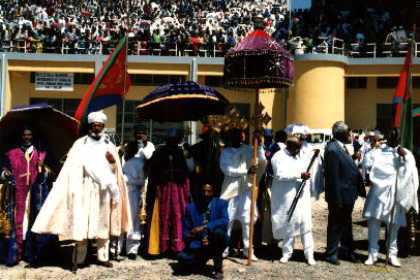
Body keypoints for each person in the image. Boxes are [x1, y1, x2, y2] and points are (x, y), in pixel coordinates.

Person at [31, 111, 132, 271]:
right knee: (82, 223)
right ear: (90, 126)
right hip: (84, 188)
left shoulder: (109, 145)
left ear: (104, 127)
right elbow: (71, 168)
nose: (97, 128)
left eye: (100, 125)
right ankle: (79, 259)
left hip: (103, 191)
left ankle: (103, 257)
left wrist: (113, 162)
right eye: (94, 125)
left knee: (103, 223)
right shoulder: (80, 144)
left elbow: (115, 171)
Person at [362, 128, 419, 267]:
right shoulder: (377, 152)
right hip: (378, 193)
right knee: (374, 224)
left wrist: (404, 157)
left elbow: (411, 173)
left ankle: (392, 254)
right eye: (391, 135)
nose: (394, 138)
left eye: (397, 136)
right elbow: (366, 167)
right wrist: (371, 152)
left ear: (399, 138)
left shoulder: (405, 153)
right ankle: (372, 254)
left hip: (395, 193)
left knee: (394, 226)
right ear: (387, 137)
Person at [0, 128, 51, 266]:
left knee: (32, 222)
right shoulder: (11, 153)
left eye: (29, 134)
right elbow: (3, 169)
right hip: (16, 194)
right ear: (20, 136)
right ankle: (15, 254)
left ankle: (32, 255)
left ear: (33, 136)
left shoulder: (41, 154)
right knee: (17, 222)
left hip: (34, 194)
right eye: (24, 135)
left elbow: (50, 172)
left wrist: (43, 168)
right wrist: (5, 173)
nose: (27, 137)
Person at [270, 135, 323, 266]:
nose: (299, 152)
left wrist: (315, 153)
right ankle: (286, 253)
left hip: (302, 196)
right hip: (286, 196)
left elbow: (309, 156)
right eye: (296, 149)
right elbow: (280, 174)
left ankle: (309, 255)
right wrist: (298, 175)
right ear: (289, 146)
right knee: (289, 224)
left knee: (306, 225)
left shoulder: (299, 154)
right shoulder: (278, 156)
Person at [219, 129, 267, 261]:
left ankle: (248, 250)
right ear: (230, 137)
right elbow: (227, 169)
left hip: (246, 190)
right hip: (230, 190)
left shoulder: (249, 149)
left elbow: (261, 161)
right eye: (235, 135)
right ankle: (224, 248)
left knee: (247, 219)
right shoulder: (225, 152)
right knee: (227, 219)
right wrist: (246, 171)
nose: (238, 137)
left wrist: (260, 145)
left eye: (240, 134)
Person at [324, 121, 365, 265]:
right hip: (339, 196)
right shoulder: (332, 150)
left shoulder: (340, 148)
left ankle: (347, 250)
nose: (352, 136)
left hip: (348, 194)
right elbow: (333, 177)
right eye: (350, 133)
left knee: (346, 225)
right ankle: (331, 253)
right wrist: (337, 199)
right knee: (336, 225)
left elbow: (344, 167)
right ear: (343, 134)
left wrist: (352, 159)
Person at [146, 128, 191, 255]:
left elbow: (185, 171)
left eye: (175, 140)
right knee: (163, 215)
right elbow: (152, 171)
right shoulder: (159, 152)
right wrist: (161, 178)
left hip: (177, 189)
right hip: (163, 188)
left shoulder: (180, 152)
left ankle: (177, 246)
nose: (173, 142)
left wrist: (177, 174)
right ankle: (163, 246)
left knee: (177, 215)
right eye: (171, 140)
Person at [178, 183, 228, 280]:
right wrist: (194, 235)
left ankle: (218, 269)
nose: (206, 194)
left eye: (208, 191)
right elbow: (185, 232)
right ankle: (200, 261)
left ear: (213, 192)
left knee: (218, 233)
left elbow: (225, 220)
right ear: (199, 192)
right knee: (182, 258)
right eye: (203, 191)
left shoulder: (221, 204)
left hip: (216, 241)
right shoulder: (190, 208)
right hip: (199, 243)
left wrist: (205, 227)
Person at [120, 132, 155, 260]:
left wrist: (142, 145)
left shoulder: (149, 145)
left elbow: (149, 156)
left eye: (143, 134)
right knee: (123, 216)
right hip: (126, 186)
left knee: (136, 218)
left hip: (140, 187)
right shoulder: (130, 146)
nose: (140, 136)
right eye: (138, 134)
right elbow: (123, 163)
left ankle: (132, 249)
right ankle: (119, 248)